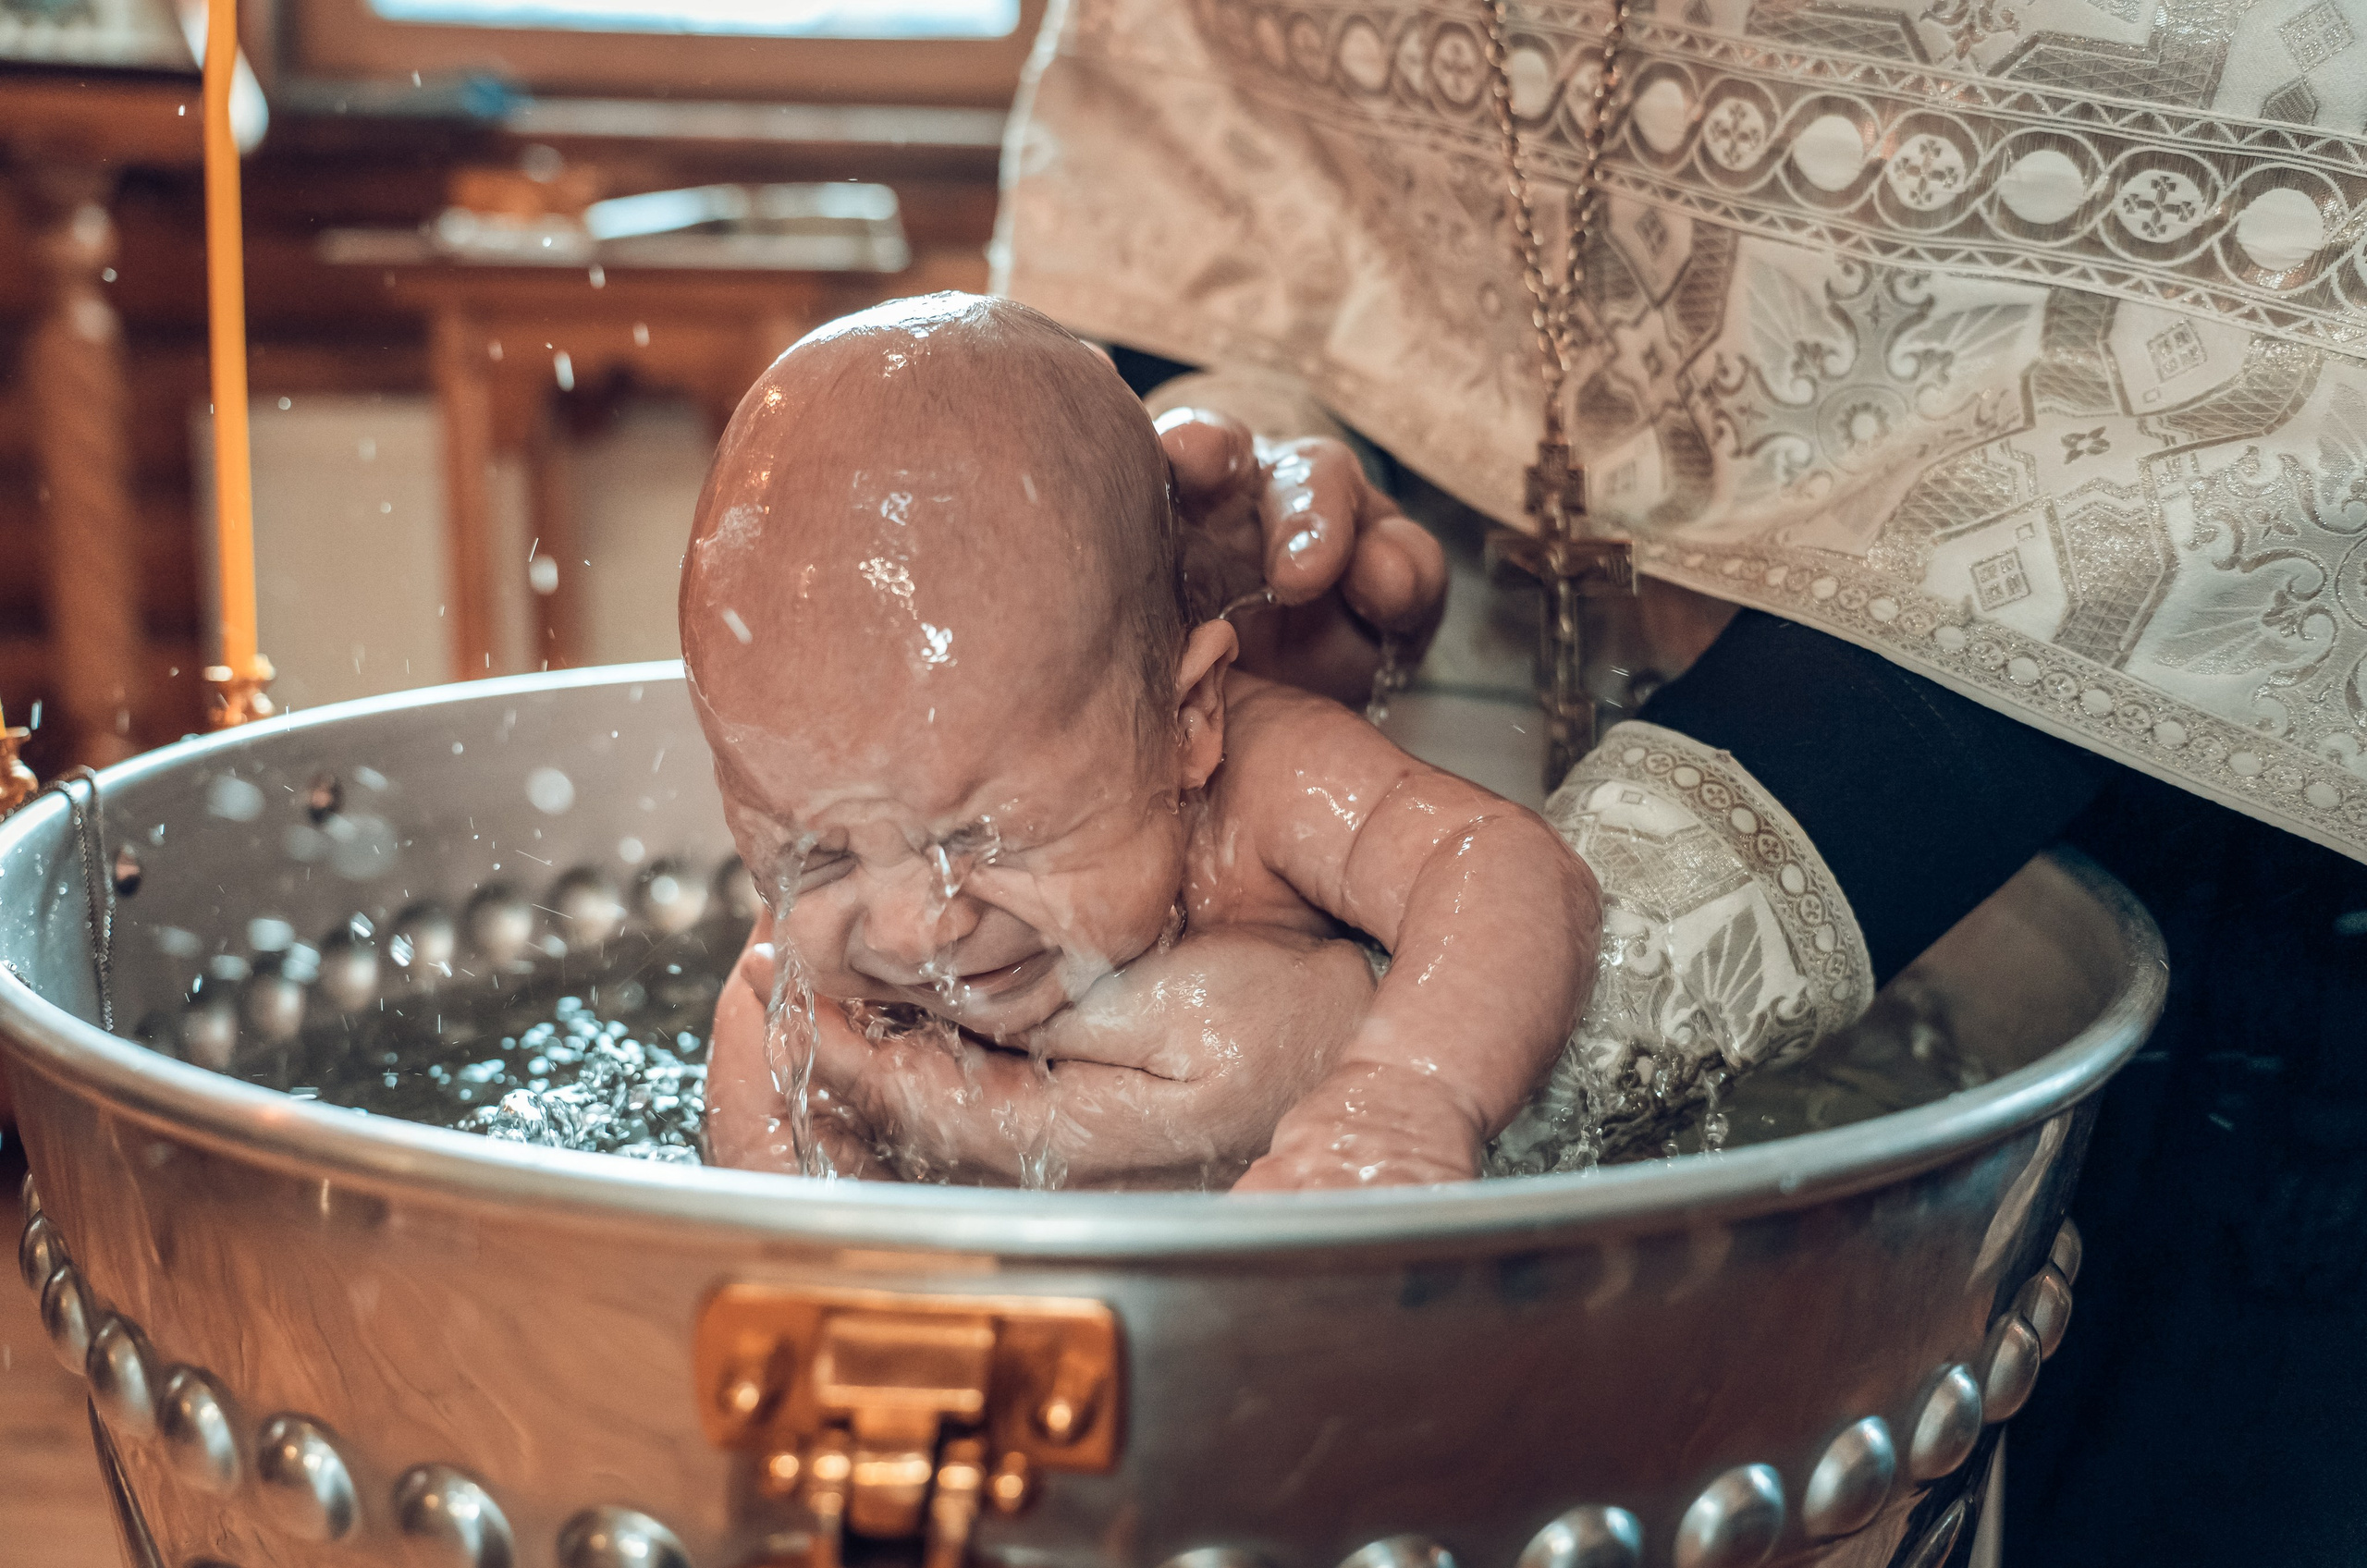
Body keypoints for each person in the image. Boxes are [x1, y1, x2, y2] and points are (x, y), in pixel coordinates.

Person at [972, 0, 2367, 1560]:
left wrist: (1418, 1054)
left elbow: (2275, 293)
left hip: (2172, 908)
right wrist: (1238, 470)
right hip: (1419, 703)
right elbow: (1235, 121)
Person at [683, 292, 1600, 1191]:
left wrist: (1399, 1096)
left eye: (979, 838)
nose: (906, 929)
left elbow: (1502, 863)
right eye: (818, 857)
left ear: (1187, 718)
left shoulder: (1265, 788)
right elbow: (760, 1078)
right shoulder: (849, 869)